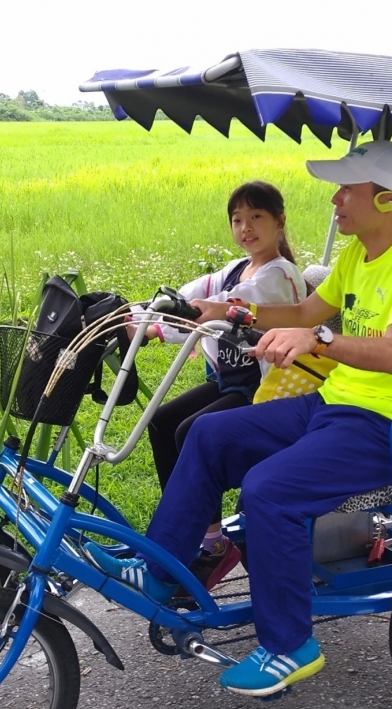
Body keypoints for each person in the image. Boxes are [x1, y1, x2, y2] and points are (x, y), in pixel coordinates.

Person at [85, 141, 392, 698]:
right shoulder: (357, 256)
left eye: (346, 189)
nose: (335, 200)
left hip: (388, 426)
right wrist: (232, 310)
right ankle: (162, 572)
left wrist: (319, 340)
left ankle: (290, 646)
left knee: (268, 489)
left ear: (386, 199)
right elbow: (306, 310)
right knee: (207, 434)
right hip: (331, 407)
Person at [134, 180, 307, 590]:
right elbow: (193, 294)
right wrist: (139, 315)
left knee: (190, 430)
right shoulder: (235, 267)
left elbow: (227, 307)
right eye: (237, 220)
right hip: (232, 382)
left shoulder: (280, 275)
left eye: (256, 217)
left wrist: (161, 328)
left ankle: (211, 545)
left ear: (280, 222)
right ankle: (197, 531)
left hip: (268, 390)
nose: (246, 227)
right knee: (161, 421)